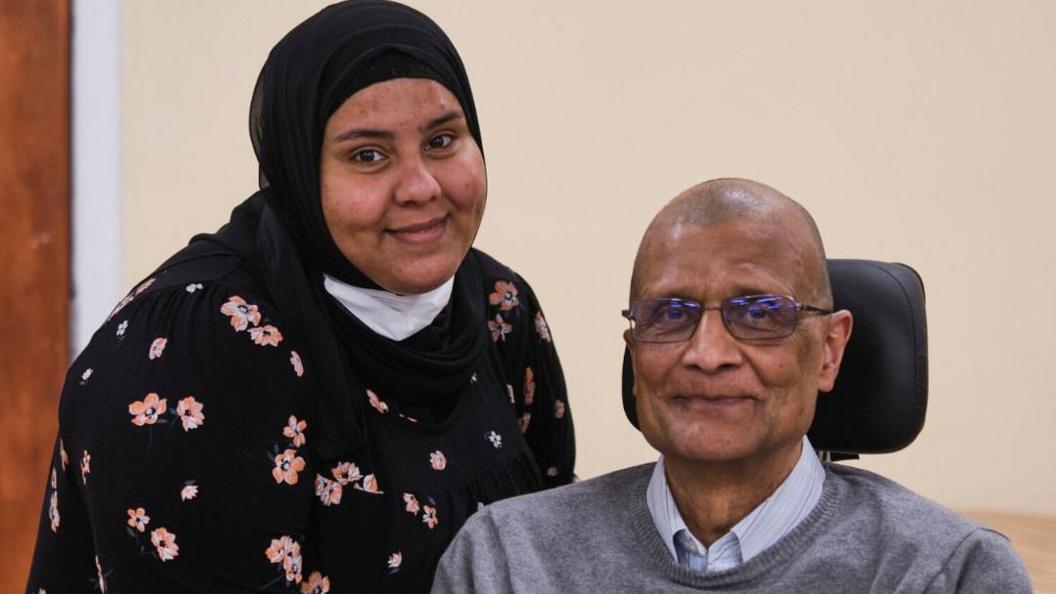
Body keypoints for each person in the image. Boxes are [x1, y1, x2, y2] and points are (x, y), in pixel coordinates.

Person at [27, 2, 574, 592]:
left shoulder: (498, 309)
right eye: (368, 155)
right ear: (296, 170)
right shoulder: (203, 344)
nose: (422, 186)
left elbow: (549, 552)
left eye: (443, 140)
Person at [432, 178, 1030, 593]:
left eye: (761, 312)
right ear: (634, 351)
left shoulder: (948, 574)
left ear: (829, 350)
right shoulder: (507, 561)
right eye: (670, 314)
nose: (708, 353)